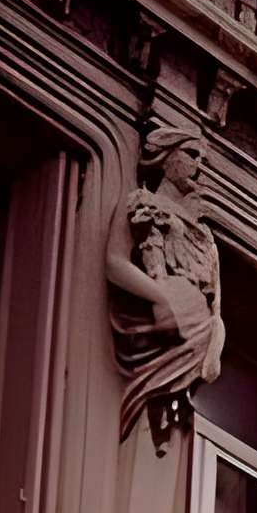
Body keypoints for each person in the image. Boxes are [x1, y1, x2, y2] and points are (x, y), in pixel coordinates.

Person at [107, 112, 225, 451]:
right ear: (168, 155)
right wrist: (159, 297)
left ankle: (172, 403)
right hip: (167, 313)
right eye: (191, 155)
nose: (198, 167)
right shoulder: (142, 203)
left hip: (197, 330)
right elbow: (116, 262)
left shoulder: (202, 230)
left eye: (202, 159)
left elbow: (214, 290)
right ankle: (161, 404)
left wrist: (215, 330)